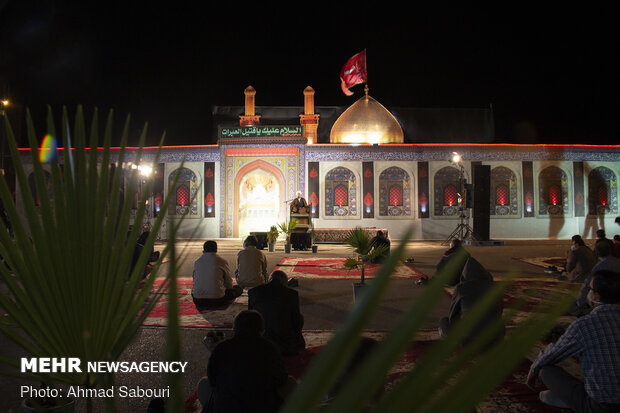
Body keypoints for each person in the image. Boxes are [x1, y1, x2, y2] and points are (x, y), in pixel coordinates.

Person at [527, 270, 620, 412]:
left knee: (546, 371)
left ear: (596, 296)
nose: (588, 292)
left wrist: (534, 368)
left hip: (601, 407)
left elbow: (553, 354)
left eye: (590, 289)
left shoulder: (586, 325)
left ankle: (573, 402)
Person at [200, 310, 292, 413]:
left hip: (226, 408)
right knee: (291, 383)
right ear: (262, 330)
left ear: (234, 329)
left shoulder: (222, 348)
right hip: (263, 407)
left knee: (204, 385)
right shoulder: (269, 348)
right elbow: (281, 378)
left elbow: (212, 380)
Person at [438, 257, 505, 347]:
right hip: (494, 340)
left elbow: (453, 315)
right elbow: (499, 311)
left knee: (444, 321)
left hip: (466, 341)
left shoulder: (461, 289)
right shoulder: (495, 288)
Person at [248, 270, 305, 355]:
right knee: (300, 318)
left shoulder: (253, 292)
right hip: (285, 345)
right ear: (284, 282)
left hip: (260, 343)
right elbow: (296, 320)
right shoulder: (291, 294)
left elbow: (249, 317)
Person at [570, 241, 620, 316]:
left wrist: (580, 303)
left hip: (606, 297)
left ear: (596, 252)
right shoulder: (617, 262)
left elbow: (587, 284)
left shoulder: (600, 266)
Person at [192, 241, 242, 310]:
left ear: (203, 250)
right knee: (238, 289)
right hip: (217, 300)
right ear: (216, 249)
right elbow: (228, 283)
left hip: (197, 300)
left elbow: (194, 279)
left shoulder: (197, 262)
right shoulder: (222, 261)